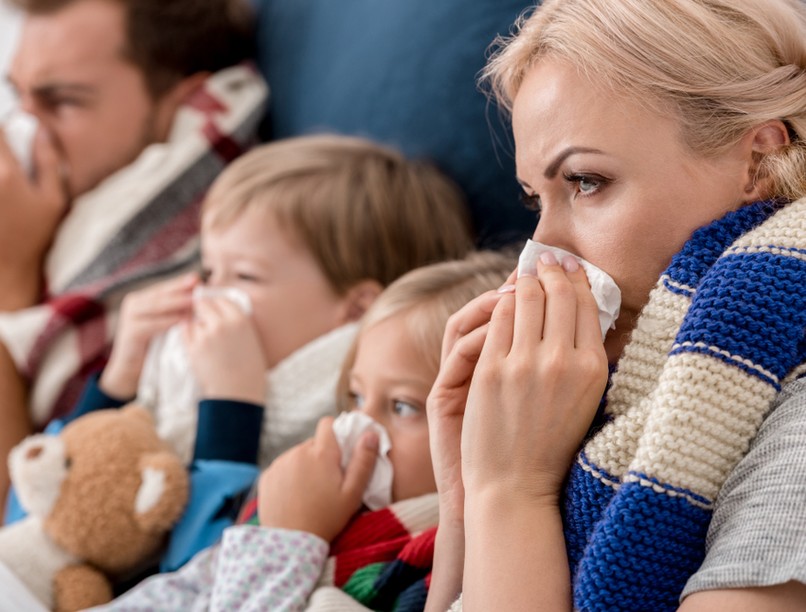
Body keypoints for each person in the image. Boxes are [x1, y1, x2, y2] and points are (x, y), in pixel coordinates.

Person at [424, 0, 806, 610]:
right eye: (534, 200)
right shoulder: (608, 396)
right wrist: (465, 494)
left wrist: (513, 491)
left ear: (757, 160)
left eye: (585, 182)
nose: (542, 251)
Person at [88, 250, 516, 611]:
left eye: (402, 406)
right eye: (355, 396)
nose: (359, 426)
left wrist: (286, 539)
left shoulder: (442, 572)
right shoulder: (309, 497)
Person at [0, 0, 268, 507]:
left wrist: (9, 278)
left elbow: (18, 516)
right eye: (18, 97)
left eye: (62, 103)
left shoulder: (187, 259)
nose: (25, 133)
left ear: (182, 102)